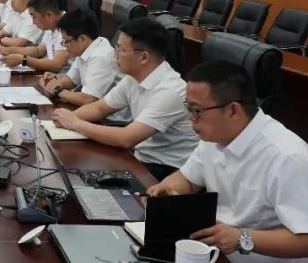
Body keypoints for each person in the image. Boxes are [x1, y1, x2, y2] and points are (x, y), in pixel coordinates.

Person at [148, 60, 308, 263]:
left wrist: (241, 238)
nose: (191, 119)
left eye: (197, 111)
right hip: (223, 261)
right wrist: (169, 190)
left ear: (233, 110)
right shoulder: (215, 136)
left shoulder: (289, 159)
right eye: (188, 108)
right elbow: (187, 179)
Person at [50, 17, 198, 179]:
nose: (115, 54)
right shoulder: (133, 78)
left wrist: (75, 123)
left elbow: (126, 138)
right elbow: (100, 108)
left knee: (79, 174)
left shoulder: (170, 91)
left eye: (120, 49)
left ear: (143, 57)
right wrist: (62, 120)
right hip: (141, 157)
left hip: (167, 170)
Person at [37, 9, 119, 108]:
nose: (64, 45)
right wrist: (53, 80)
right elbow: (71, 81)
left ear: (82, 39)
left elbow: (88, 99)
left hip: (108, 116)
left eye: (66, 41)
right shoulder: (86, 48)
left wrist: (57, 90)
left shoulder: (101, 57)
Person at [0, 0, 69, 73]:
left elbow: (57, 65)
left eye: (34, 17)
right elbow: (39, 50)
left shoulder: (66, 27)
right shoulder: (50, 26)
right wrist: (10, 50)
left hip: (62, 77)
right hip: (50, 75)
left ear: (48, 15)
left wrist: (23, 60)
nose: (33, 22)